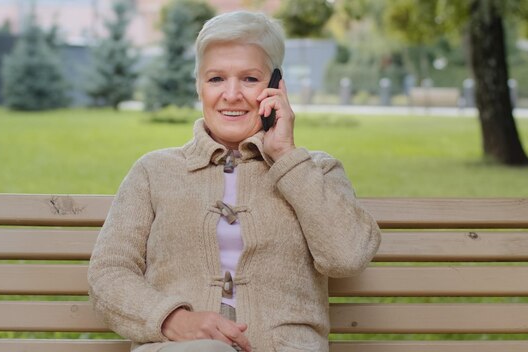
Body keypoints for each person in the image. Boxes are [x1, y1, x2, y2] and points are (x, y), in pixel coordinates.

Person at [88, 11, 381, 352]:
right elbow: (108, 272)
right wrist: (173, 320)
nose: (231, 94)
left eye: (249, 79)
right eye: (215, 79)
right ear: (199, 85)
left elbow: (347, 257)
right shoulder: (153, 172)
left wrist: (286, 157)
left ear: (276, 87)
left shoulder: (317, 171)